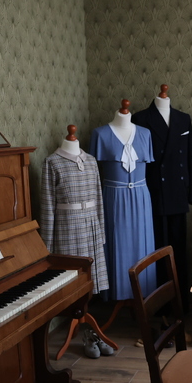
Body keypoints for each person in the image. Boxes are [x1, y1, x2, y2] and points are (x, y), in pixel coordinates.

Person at [132, 85, 192, 304]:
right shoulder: (140, 119)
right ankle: (158, 304)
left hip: (178, 192)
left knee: (178, 249)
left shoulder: (183, 119)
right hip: (153, 193)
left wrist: (191, 193)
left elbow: (189, 158)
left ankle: (179, 303)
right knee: (156, 250)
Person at [90, 100, 156, 301]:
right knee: (116, 243)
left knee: (142, 245)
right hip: (114, 197)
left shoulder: (145, 134)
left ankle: (144, 295)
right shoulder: (100, 134)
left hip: (141, 197)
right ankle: (118, 294)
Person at [40, 124, 109, 295]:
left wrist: (101, 232)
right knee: (71, 279)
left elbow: (98, 198)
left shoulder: (91, 161)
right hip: (68, 226)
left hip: (91, 224)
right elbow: (47, 205)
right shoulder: (52, 162)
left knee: (90, 276)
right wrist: (46, 245)